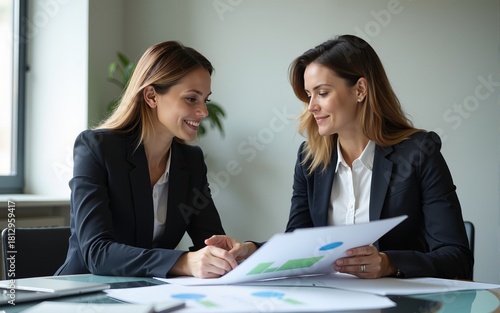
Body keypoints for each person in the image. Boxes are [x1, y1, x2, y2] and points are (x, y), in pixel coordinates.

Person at [206, 34, 474, 280]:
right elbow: (297, 246)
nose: (311, 106)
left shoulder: (419, 152)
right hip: (328, 301)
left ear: (360, 90)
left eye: (322, 93)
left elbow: (457, 258)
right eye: (309, 95)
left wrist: (389, 263)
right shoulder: (309, 160)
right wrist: (251, 250)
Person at [56, 41, 238, 278]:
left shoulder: (190, 161)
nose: (203, 111)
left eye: (206, 100)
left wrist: (221, 254)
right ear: (152, 96)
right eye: (192, 99)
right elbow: (97, 253)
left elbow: (209, 240)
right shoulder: (96, 149)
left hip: (148, 295)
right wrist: (183, 262)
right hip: (82, 294)